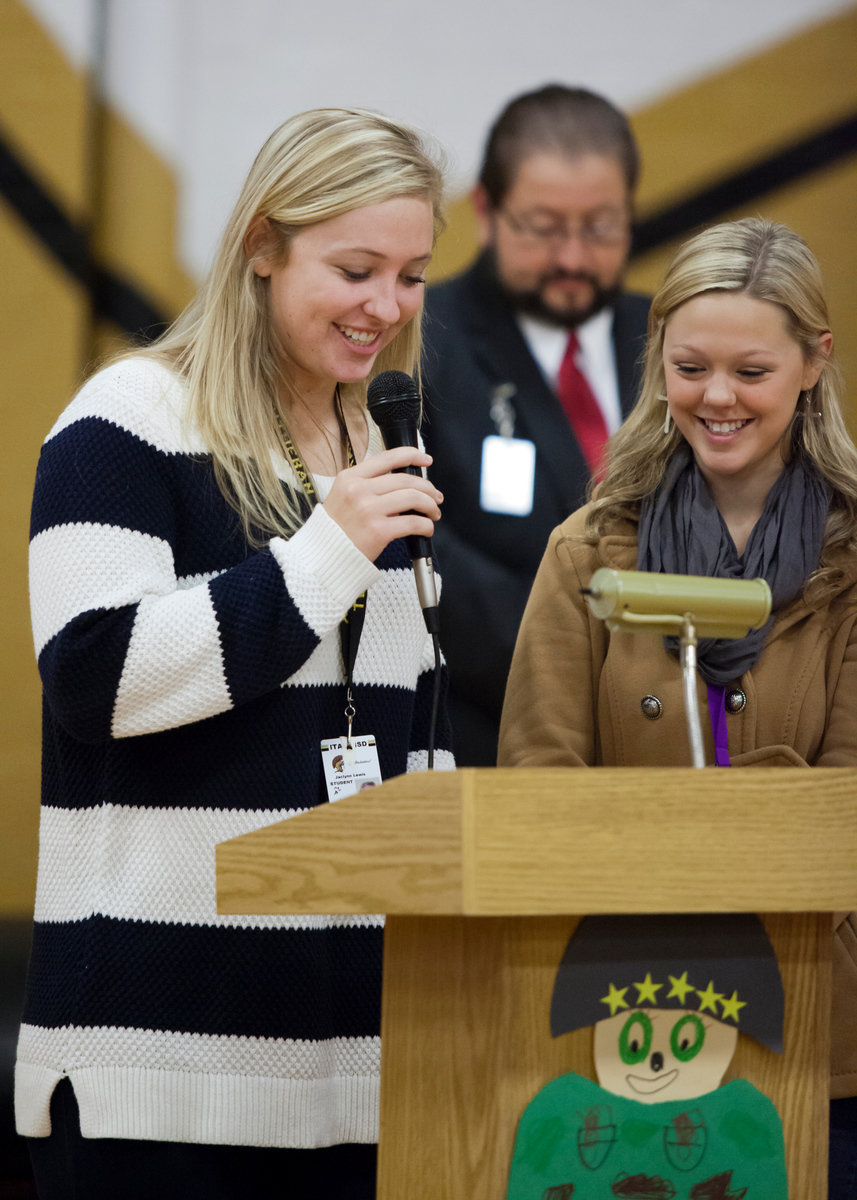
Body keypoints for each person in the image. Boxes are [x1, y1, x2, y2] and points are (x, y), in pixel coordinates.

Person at [16, 106, 454, 1200]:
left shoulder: (377, 447)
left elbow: (402, 728)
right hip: (161, 1065)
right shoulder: (128, 417)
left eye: (410, 276)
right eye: (355, 268)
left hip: (360, 1070)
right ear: (262, 245)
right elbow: (93, 677)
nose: (384, 308)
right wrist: (325, 554)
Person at [498, 217, 857, 1195]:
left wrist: (683, 825)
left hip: (815, 1029)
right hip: (618, 1020)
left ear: (813, 364)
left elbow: (843, 819)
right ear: (655, 361)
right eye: (688, 367)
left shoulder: (851, 561)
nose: (715, 399)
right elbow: (538, 787)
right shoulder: (589, 549)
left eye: (749, 371)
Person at [421, 84, 650, 765]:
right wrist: (587, 671)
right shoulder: (421, 343)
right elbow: (422, 552)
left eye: (600, 226)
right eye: (544, 227)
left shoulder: (681, 339)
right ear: (486, 212)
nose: (572, 259)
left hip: (675, 738)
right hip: (488, 744)